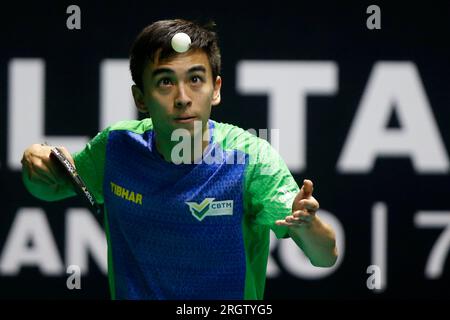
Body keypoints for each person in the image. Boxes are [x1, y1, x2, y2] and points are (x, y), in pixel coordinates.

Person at [21, 19, 338, 300]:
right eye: (165, 82)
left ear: (215, 90)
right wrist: (35, 162)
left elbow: (325, 257)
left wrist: (308, 226)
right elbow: (49, 188)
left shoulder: (251, 159)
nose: (183, 97)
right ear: (140, 98)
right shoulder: (116, 148)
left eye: (196, 79)